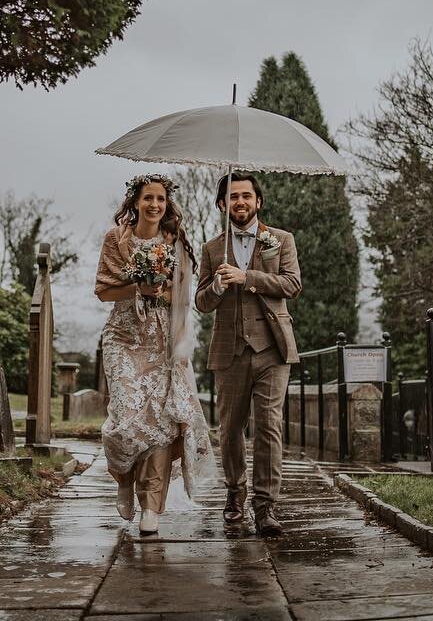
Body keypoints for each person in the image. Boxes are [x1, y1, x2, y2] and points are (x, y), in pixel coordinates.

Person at [94, 173, 214, 536]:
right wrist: (138, 286)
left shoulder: (175, 242)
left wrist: (179, 346)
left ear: (168, 204)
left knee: (162, 423)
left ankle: (152, 507)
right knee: (126, 418)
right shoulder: (116, 239)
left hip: (161, 339)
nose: (155, 205)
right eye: (148, 198)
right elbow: (102, 290)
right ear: (135, 201)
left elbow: (181, 301)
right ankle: (123, 478)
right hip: (123, 337)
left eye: (161, 199)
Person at [195, 171, 301, 537]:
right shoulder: (212, 249)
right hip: (229, 352)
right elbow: (201, 303)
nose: (240, 202)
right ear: (222, 205)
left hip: (272, 348)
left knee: (269, 426)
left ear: (258, 201)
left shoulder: (280, 240)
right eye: (233, 197)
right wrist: (218, 286)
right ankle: (235, 494)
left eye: (246, 196)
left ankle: (266, 506)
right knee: (229, 430)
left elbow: (292, 284)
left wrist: (248, 277)